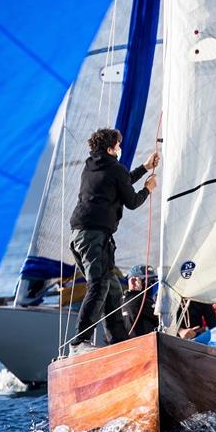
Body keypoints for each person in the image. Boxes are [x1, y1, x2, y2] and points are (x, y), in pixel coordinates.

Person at [67, 128, 159, 355]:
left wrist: (145, 168)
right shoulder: (115, 169)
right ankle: (79, 343)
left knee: (113, 289)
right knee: (99, 286)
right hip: (93, 236)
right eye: (118, 145)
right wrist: (147, 189)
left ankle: (118, 343)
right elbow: (132, 201)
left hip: (82, 235)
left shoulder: (91, 166)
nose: (120, 149)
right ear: (110, 149)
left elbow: (121, 180)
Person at [122, 264, 159, 338]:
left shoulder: (122, 299)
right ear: (133, 281)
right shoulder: (141, 299)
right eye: (149, 280)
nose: (152, 284)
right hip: (146, 345)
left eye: (153, 281)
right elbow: (162, 319)